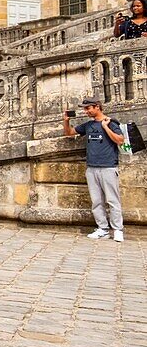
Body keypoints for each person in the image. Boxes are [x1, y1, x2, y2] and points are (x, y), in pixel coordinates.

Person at [63, 98, 125, 242]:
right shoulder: (88, 125)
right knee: (96, 201)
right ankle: (102, 229)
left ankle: (117, 230)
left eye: (88, 108)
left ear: (97, 107)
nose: (86, 111)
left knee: (112, 200)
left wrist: (106, 127)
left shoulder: (111, 122)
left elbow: (120, 140)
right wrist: (66, 120)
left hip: (108, 167)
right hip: (91, 168)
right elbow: (69, 133)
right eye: (85, 109)